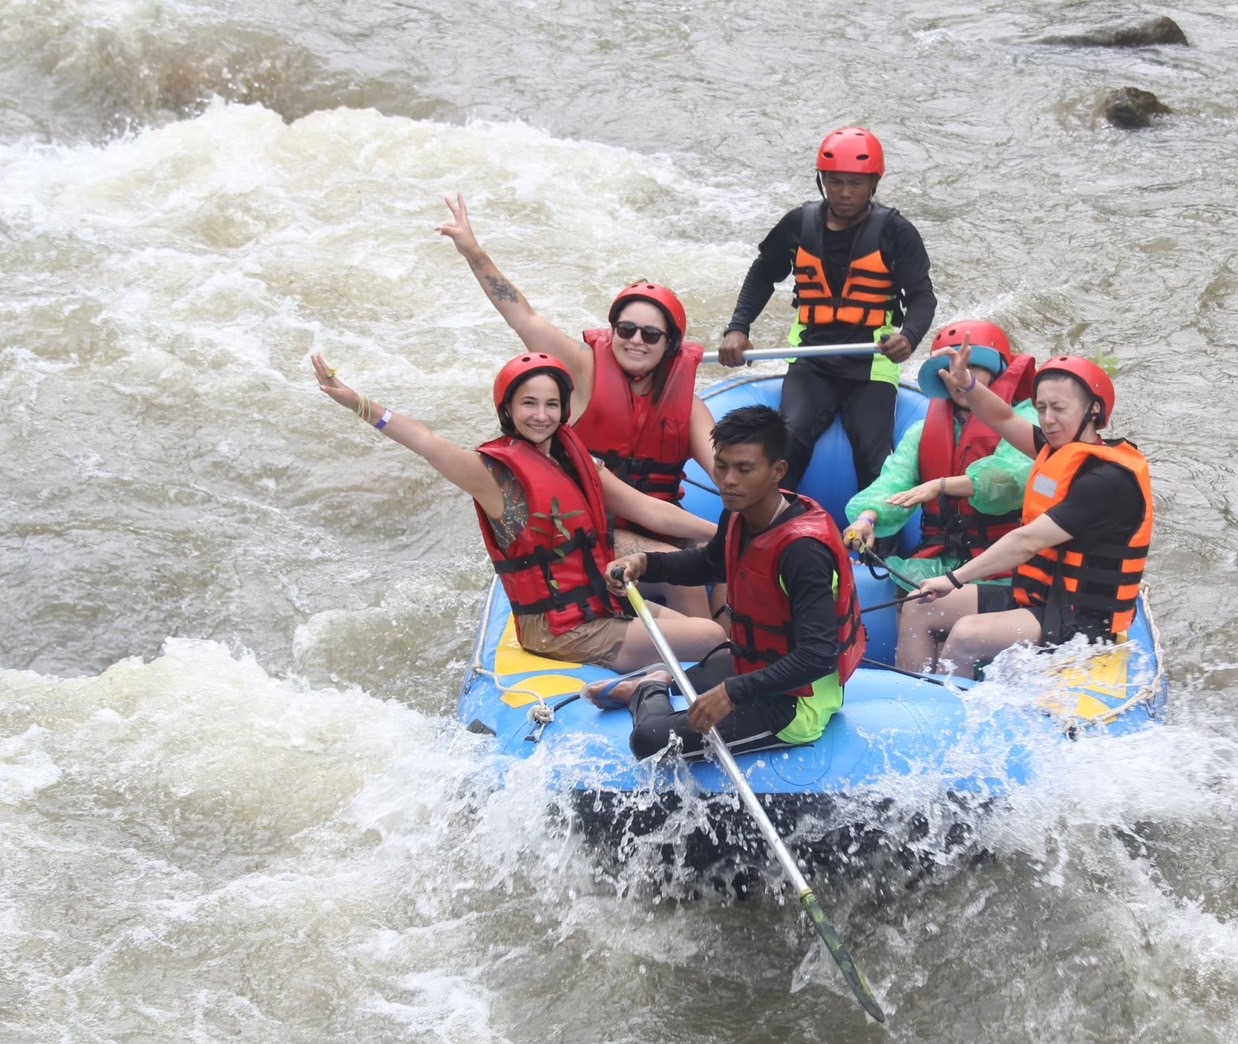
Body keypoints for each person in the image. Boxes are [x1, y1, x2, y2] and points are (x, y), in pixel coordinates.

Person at [311, 351, 726, 671]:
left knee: (705, 623)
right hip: (561, 630)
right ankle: (660, 682)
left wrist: (725, 533)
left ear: (564, 409)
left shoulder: (575, 459)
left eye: (551, 404)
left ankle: (673, 678)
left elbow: (649, 510)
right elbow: (427, 442)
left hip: (602, 603)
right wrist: (357, 403)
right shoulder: (493, 476)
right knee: (709, 637)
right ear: (508, 409)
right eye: (529, 403)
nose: (541, 416)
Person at [438, 194, 716, 617]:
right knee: (685, 569)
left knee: (725, 556)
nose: (635, 341)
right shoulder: (584, 372)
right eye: (626, 329)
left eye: (650, 335)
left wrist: (757, 526)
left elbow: (728, 473)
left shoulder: (688, 408)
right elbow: (523, 317)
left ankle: (730, 636)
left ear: (670, 345)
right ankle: (706, 650)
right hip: (591, 528)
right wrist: (474, 253)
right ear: (613, 330)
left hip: (658, 517)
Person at [595, 406, 866, 760]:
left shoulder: (803, 552)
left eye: (744, 469)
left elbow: (819, 655)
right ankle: (657, 683)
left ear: (778, 471)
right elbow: (710, 563)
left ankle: (645, 691)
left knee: (648, 741)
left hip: (795, 703)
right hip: (753, 664)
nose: (728, 480)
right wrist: (645, 563)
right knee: (690, 684)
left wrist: (733, 692)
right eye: (721, 466)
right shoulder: (739, 512)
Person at [896, 349, 1153, 678]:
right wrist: (968, 384)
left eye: (1059, 408)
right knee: (919, 606)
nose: (1047, 419)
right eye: (1041, 408)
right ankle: (913, 697)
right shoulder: (1053, 449)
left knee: (966, 635)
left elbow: (1025, 542)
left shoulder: (1107, 481)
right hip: (1037, 598)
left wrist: (953, 579)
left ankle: (943, 705)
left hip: (1081, 621)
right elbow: (1003, 419)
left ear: (1093, 410)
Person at [717, 127, 937, 491]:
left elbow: (922, 296)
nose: (845, 193)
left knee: (875, 460)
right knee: (787, 447)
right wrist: (738, 328)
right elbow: (762, 274)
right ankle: (774, 524)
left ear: (874, 183)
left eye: (856, 183)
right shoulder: (797, 225)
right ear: (822, 181)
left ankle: (874, 528)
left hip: (871, 363)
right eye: (835, 182)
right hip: (812, 359)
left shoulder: (896, 232)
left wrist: (909, 336)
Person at [841, 320, 1039, 589]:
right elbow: (893, 482)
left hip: (1003, 561)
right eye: (950, 370)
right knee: (908, 596)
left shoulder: (1025, 421)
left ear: (995, 372)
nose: (959, 377)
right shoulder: (922, 432)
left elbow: (1009, 480)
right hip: (939, 557)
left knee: (927, 603)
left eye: (971, 367)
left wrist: (941, 486)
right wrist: (867, 518)